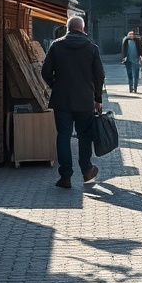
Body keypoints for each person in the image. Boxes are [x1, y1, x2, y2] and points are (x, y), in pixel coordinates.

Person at [40, 15, 105, 189]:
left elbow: (45, 71)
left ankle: (65, 176)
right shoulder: (91, 48)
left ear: (67, 29)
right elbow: (99, 75)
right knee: (84, 136)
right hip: (85, 100)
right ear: (83, 29)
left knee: (63, 136)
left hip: (62, 100)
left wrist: (56, 85)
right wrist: (97, 98)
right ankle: (86, 170)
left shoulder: (56, 46)